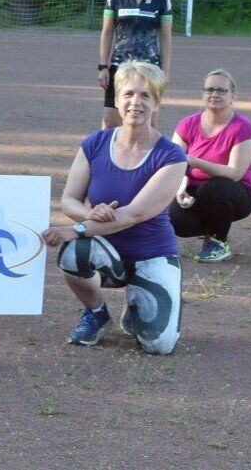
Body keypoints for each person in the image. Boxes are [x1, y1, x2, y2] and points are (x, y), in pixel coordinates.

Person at [42, 61, 187, 354]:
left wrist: (77, 228)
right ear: (118, 100)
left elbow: (134, 214)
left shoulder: (171, 156)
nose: (136, 102)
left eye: (145, 95)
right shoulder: (94, 143)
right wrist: (89, 213)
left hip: (152, 254)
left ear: (157, 103)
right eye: (129, 94)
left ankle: (143, 301)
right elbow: (69, 200)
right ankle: (96, 313)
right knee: (75, 253)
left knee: (159, 345)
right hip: (106, 252)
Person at [168, 69, 251, 263]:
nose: (214, 94)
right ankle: (213, 222)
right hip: (195, 190)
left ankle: (218, 242)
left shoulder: (243, 127)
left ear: (233, 95)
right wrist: (179, 191)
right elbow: (173, 165)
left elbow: (235, 173)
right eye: (209, 90)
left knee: (212, 189)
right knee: (176, 221)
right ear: (203, 94)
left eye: (221, 90)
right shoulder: (187, 124)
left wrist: (196, 162)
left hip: (235, 192)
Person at [96, 0, 172, 128]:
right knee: (110, 122)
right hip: (119, 67)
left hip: (150, 68)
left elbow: (166, 36)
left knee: (148, 123)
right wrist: (103, 67)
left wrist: (165, 70)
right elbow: (107, 33)